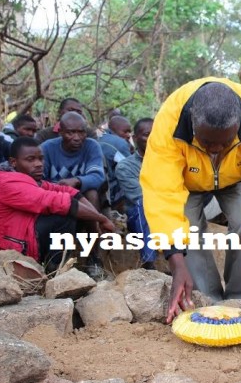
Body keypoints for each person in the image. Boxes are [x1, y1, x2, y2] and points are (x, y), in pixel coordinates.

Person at [140, 78, 241, 323]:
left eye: (225, 142)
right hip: (188, 180)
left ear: (239, 125)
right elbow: (162, 193)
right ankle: (205, 301)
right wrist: (176, 264)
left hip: (236, 177)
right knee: (189, 226)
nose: (216, 149)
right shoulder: (169, 121)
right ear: (192, 124)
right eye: (207, 142)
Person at [0, 137, 115, 273]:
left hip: (23, 236)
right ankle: (55, 270)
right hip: (12, 248)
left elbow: (68, 191)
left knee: (77, 211)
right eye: (30, 159)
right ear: (13, 162)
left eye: (41, 159)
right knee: (65, 217)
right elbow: (61, 202)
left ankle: (90, 258)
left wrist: (95, 217)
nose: (39, 164)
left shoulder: (27, 178)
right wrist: (102, 219)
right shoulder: (7, 183)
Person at [41, 111, 107, 278]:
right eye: (71, 132)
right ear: (60, 131)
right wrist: (63, 190)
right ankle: (57, 261)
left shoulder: (91, 146)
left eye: (81, 132)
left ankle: (94, 257)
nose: (77, 137)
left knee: (92, 194)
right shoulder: (47, 148)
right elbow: (39, 181)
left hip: (84, 202)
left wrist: (76, 181)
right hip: (55, 199)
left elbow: (98, 176)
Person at [115, 118, 158, 269]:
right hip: (141, 215)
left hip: (168, 210)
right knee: (143, 204)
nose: (153, 138)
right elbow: (140, 197)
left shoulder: (171, 161)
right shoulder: (125, 166)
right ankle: (149, 263)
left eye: (156, 133)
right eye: (147, 134)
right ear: (134, 138)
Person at [98, 115, 132, 209]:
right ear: (114, 129)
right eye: (125, 131)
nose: (128, 135)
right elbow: (132, 168)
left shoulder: (101, 138)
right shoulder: (119, 143)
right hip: (108, 190)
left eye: (129, 132)